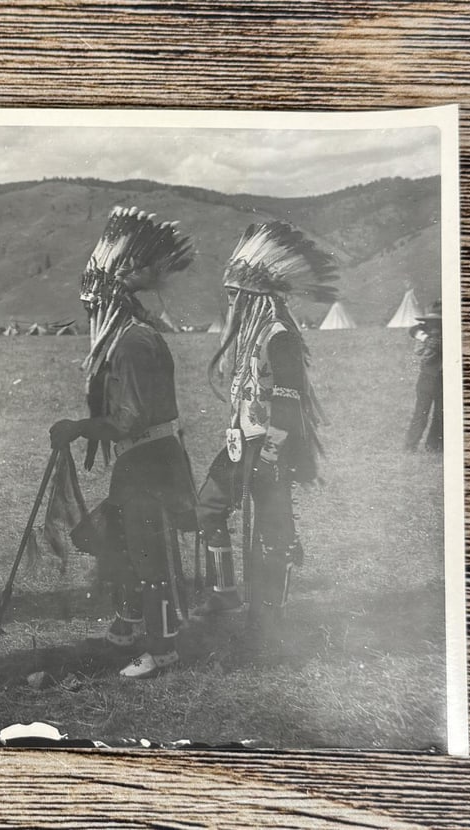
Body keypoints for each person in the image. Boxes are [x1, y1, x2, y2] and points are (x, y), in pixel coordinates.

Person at [49, 205, 198, 679]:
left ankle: (163, 650)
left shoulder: (132, 343)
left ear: (107, 301)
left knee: (148, 552)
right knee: (127, 544)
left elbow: (129, 418)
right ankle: (127, 627)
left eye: (91, 306)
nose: (87, 312)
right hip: (144, 461)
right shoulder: (129, 337)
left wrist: (78, 427)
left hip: (149, 462)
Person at [193, 221, 336, 639]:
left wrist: (272, 451)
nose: (229, 302)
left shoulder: (279, 336)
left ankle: (269, 621)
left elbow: (290, 404)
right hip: (241, 445)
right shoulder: (252, 334)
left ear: (255, 295)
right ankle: (223, 591)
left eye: (235, 294)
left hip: (270, 450)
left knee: (271, 536)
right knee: (207, 507)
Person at [404, 300, 444, 452]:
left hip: (441, 377)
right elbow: (413, 330)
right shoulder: (425, 330)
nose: (433, 325)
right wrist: (426, 338)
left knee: (440, 413)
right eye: (430, 322)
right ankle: (410, 445)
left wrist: (432, 341)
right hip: (428, 376)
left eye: (437, 322)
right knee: (421, 412)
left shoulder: (448, 333)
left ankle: (434, 445)